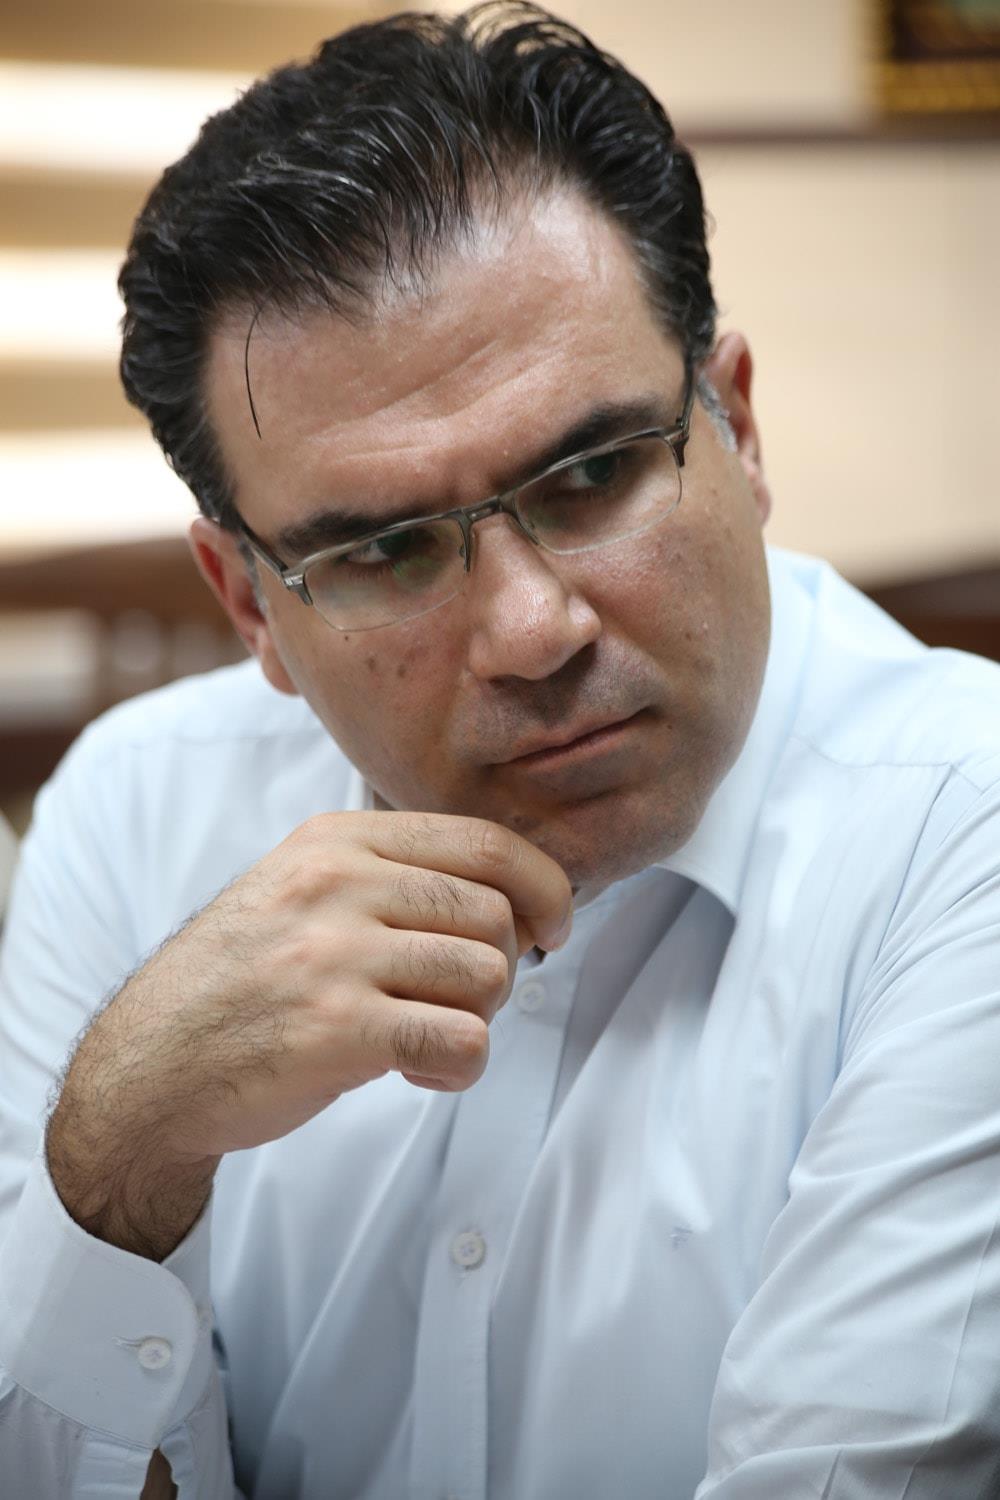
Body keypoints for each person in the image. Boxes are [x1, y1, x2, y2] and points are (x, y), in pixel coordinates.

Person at [1, 4, 998, 1497]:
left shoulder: (962, 828)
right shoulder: (136, 812)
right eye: (387, 550)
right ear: (248, 603)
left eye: (592, 474)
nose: (533, 631)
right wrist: (121, 1161)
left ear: (734, 427)